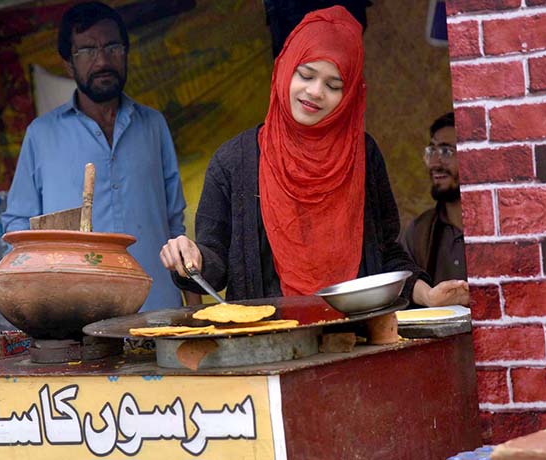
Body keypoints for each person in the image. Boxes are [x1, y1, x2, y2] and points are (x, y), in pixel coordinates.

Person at [160, 6, 469, 307]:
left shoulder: (363, 155)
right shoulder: (232, 162)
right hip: (266, 350)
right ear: (284, 68)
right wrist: (193, 257)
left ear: (349, 96)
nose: (316, 91)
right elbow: (216, 265)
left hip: (357, 341)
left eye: (334, 85)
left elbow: (386, 254)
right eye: (305, 75)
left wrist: (427, 295)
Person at [2, 1, 188, 311]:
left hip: (157, 312)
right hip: (76, 315)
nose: (102, 60)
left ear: (126, 52)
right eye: (87, 51)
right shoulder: (41, 135)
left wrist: (191, 305)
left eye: (112, 47)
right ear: (68, 64)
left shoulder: (153, 125)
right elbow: (18, 227)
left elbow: (175, 224)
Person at [400, 112, 466, 284]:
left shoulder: (499, 226)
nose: (435, 163)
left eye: (446, 151)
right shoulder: (418, 232)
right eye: (431, 151)